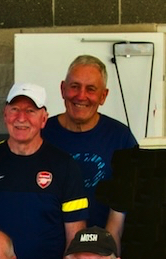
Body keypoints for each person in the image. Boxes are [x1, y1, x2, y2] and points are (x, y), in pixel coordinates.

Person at [0, 83, 88, 259]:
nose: (21, 118)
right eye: (15, 109)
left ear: (44, 119)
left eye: (30, 111)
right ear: (5, 114)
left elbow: (76, 239)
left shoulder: (65, 166)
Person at [42, 55, 137, 248]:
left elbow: (131, 199)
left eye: (91, 89)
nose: (81, 96)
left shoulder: (120, 137)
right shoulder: (42, 134)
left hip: (102, 253)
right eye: (75, 86)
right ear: (63, 89)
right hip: (48, 252)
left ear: (103, 96)